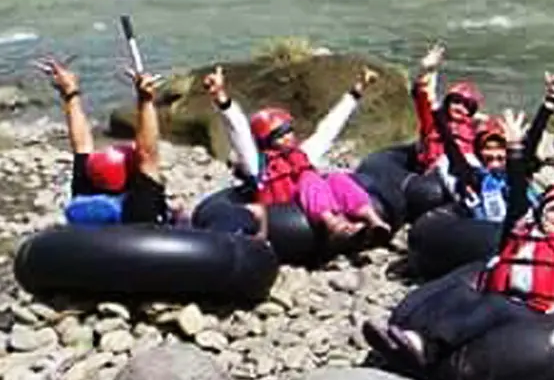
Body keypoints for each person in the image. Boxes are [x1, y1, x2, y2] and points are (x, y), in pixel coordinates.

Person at [363, 124, 554, 370]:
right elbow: (517, 197)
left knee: (492, 307)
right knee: (459, 293)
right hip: (499, 294)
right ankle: (406, 334)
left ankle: (429, 348)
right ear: (542, 213)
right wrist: (513, 151)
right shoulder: (523, 231)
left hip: (531, 308)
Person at [207, 65, 391, 242]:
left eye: (289, 132)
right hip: (281, 212)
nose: (288, 138)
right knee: (310, 179)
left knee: (336, 178)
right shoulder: (256, 164)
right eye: (280, 136)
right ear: (266, 142)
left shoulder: (302, 154)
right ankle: (333, 224)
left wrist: (357, 90)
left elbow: (329, 128)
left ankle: (373, 220)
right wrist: (221, 97)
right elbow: (239, 132)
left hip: (309, 202)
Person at [37, 57, 175, 226]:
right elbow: (147, 155)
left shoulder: (84, 195)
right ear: (131, 178)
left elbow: (82, 145)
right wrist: (145, 100)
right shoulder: (140, 209)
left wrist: (70, 93)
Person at [434, 72, 554, 222]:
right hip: (489, 233)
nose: (494, 154)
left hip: (521, 226)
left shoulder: (518, 169)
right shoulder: (474, 176)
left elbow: (534, 135)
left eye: (499, 148)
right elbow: (450, 145)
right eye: (488, 148)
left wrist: (551, 99)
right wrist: (434, 105)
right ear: (479, 153)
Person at [412, 41, 486, 183]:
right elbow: (422, 96)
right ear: (448, 103)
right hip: (437, 178)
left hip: (467, 176)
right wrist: (426, 70)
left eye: (467, 105)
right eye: (456, 101)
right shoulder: (433, 122)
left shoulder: (475, 129)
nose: (460, 107)